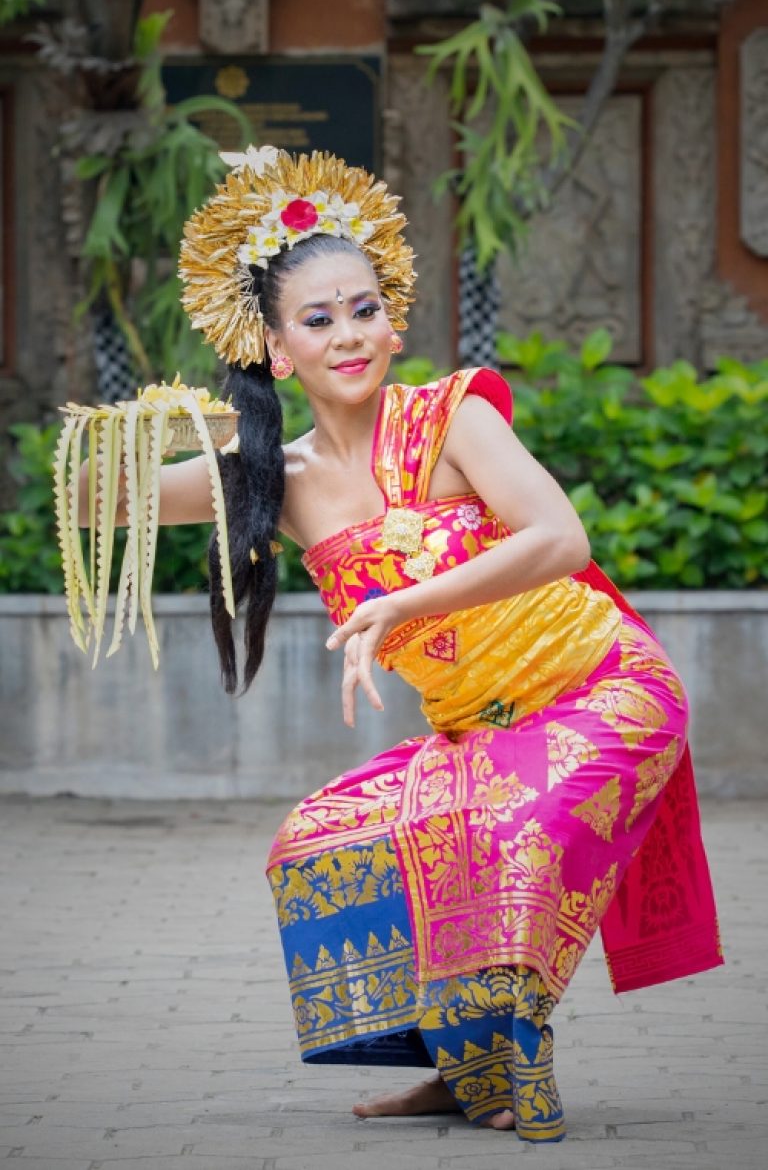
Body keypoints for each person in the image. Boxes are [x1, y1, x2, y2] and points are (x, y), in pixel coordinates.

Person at [149, 147, 722, 1142]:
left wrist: (402, 603)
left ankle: (509, 1049)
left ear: (393, 316)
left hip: (606, 689)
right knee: (319, 841)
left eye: (364, 308)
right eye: (319, 319)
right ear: (277, 349)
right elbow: (107, 504)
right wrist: (113, 442)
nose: (350, 334)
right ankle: (460, 1063)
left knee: (512, 835)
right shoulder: (272, 479)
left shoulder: (451, 418)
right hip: (479, 733)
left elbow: (562, 540)